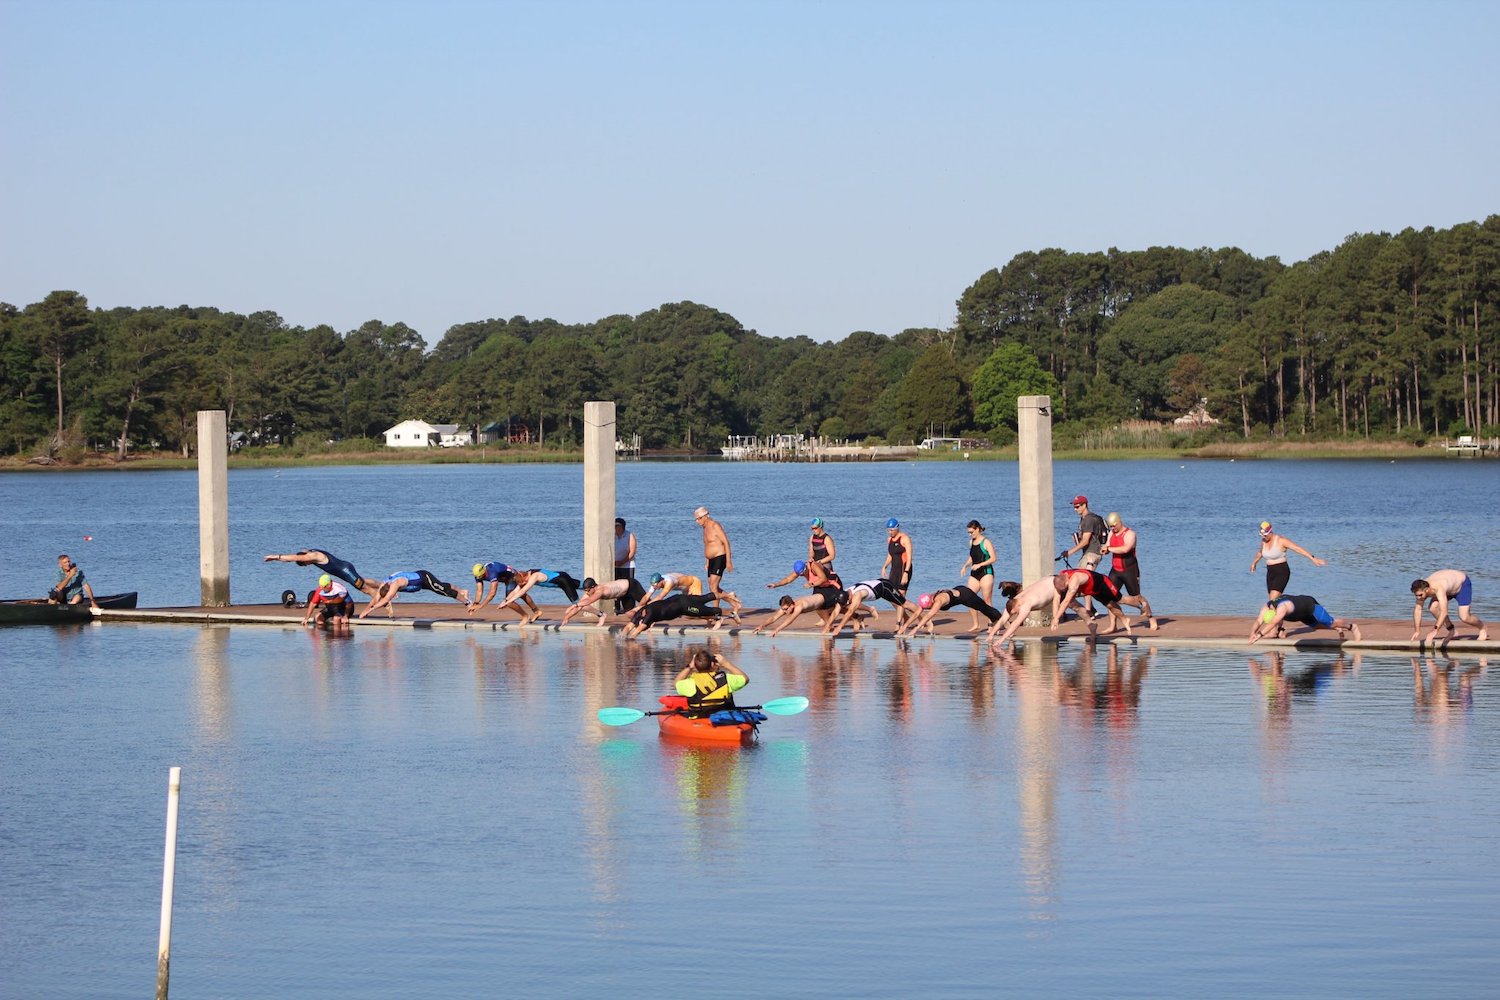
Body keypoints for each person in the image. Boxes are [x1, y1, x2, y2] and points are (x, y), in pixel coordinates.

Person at [1100, 511, 1159, 631]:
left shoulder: (1130, 534)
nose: (1112, 528)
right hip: (1115, 570)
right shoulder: (1112, 533)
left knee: (1137, 597)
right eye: (1110, 526)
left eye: (1114, 525)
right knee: (1109, 597)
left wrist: (1109, 548)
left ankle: (1151, 618)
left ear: (1119, 522)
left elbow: (1125, 549)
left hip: (1129, 570)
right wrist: (1105, 550)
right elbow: (1108, 545)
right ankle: (1113, 625)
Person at [1249, 521, 1325, 599]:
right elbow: (1260, 552)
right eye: (1262, 535)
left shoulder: (1281, 540)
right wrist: (1254, 563)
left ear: (1270, 532)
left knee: (1272, 598)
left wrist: (1313, 558)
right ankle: (1285, 607)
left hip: (1282, 571)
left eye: (1265, 535)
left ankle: (1292, 603)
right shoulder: (1263, 541)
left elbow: (1297, 548)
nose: (1263, 537)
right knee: (1273, 599)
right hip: (1270, 572)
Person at [263, 548, 378, 596]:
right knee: (362, 581)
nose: (307, 565)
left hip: (345, 571)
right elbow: (301, 554)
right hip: (345, 569)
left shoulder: (313, 556)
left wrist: (276, 557)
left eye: (305, 564)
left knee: (365, 589)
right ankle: (384, 586)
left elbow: (296, 558)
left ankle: (385, 603)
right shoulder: (310, 552)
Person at [1249, 594, 1360, 644]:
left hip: (1309, 606)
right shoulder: (1266, 607)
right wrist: (1252, 634)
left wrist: (1259, 635)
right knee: (1315, 626)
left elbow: (1273, 623)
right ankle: (1337, 629)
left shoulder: (1282, 608)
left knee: (1331, 622)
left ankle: (1352, 627)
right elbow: (1258, 621)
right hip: (1301, 615)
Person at [1411, 570, 1488, 642]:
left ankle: (1482, 628)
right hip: (1448, 589)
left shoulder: (1438, 588)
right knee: (1433, 608)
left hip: (1462, 585)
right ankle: (1452, 631)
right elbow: (1418, 610)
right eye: (1416, 595)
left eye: (1420, 595)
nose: (1418, 598)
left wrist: (1435, 630)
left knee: (1464, 617)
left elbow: (1444, 612)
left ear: (1427, 590)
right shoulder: (1420, 589)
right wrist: (1417, 630)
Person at [896, 586, 1002, 637]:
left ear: (931, 603)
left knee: (984, 608)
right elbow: (916, 613)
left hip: (965, 595)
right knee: (985, 610)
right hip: (956, 592)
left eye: (927, 607)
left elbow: (929, 615)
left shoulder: (938, 601)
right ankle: (996, 620)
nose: (926, 609)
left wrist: (916, 629)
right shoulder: (927, 600)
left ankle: (1003, 619)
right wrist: (904, 627)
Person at [1051, 568, 1130, 637]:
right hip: (1091, 590)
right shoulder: (1059, 579)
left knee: (1121, 601)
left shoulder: (1075, 578)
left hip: (1101, 582)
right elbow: (1056, 599)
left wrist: (1057, 618)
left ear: (1066, 582)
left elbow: (1066, 601)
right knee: (1073, 604)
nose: (1064, 591)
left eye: (1065, 589)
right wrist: (1055, 619)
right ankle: (1091, 625)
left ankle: (1140, 602)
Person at [359, 570, 469, 618]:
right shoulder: (384, 584)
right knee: (442, 586)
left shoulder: (396, 583)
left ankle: (467, 602)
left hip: (424, 578)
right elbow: (376, 598)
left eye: (394, 594)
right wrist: (365, 610)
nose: (395, 596)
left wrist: (370, 610)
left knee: (444, 591)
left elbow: (386, 598)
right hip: (419, 582)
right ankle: (462, 591)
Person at [823, 578, 914, 635]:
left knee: (904, 604)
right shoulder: (843, 594)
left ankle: (926, 621)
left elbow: (850, 612)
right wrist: (827, 626)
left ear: (849, 597)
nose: (847, 604)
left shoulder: (857, 595)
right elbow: (835, 611)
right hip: (878, 588)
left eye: (847, 602)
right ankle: (907, 619)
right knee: (898, 604)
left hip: (885, 587)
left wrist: (839, 627)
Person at [673, 649, 748, 713]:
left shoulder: (690, 683)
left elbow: (676, 684)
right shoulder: (726, 679)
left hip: (698, 718)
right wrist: (726, 664)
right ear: (712, 664)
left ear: (695, 665)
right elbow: (745, 679)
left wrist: (689, 667)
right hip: (722, 717)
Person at [988, 578, 1053, 649]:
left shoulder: (1026, 604)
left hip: (1053, 584)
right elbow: (1003, 619)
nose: (1016, 614)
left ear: (1017, 606)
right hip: (1047, 581)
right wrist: (991, 635)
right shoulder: (1015, 600)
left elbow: (1016, 623)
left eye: (1015, 612)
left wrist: (1001, 640)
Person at [623, 591, 722, 637]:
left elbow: (636, 632)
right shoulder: (640, 612)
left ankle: (720, 614)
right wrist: (622, 636)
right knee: (703, 599)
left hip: (682, 606)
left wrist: (627, 643)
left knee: (704, 612)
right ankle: (728, 595)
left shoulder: (649, 614)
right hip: (677, 599)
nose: (635, 621)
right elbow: (628, 627)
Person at [560, 576, 646, 627]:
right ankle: (645, 621)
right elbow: (580, 606)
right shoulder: (590, 592)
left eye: (588, 590)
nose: (586, 593)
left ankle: (652, 616)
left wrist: (572, 606)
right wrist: (567, 617)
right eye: (585, 591)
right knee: (629, 614)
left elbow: (588, 601)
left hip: (631, 586)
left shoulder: (600, 591)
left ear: (593, 587)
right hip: (623, 594)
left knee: (647, 602)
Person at [467, 561, 540, 621]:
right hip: (505, 578)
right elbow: (479, 590)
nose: (480, 578)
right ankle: (537, 611)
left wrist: (481, 606)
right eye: (478, 577)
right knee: (522, 595)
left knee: (509, 602)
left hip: (513, 577)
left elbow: (492, 593)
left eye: (481, 576)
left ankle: (525, 616)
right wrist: (476, 604)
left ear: (484, 571)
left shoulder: (492, 573)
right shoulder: (478, 574)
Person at [695, 506, 736, 611]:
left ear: (705, 516)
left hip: (720, 557)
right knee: (712, 587)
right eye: (696, 519)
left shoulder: (715, 525)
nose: (697, 521)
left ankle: (716, 612)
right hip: (711, 560)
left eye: (698, 518)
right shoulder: (704, 528)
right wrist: (707, 561)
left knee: (713, 587)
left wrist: (728, 561)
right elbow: (708, 545)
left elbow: (726, 542)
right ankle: (733, 601)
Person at [494, 569, 584, 616]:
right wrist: (505, 600)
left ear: (524, 578)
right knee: (585, 586)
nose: (525, 584)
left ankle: (598, 614)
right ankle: (597, 589)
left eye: (524, 583)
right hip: (561, 576)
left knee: (578, 603)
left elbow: (523, 591)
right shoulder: (525, 575)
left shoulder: (534, 576)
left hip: (563, 581)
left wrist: (508, 602)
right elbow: (515, 591)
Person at [959, 520, 998, 629]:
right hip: (974, 573)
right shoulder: (971, 542)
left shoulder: (986, 542)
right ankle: (976, 624)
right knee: (968, 598)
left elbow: (993, 558)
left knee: (986, 600)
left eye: (971, 532)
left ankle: (992, 623)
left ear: (978, 529)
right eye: (968, 533)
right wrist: (965, 566)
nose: (970, 535)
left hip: (986, 572)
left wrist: (980, 565)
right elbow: (972, 556)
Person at [755, 593, 837, 637]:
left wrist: (776, 630)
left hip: (827, 599)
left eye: (786, 609)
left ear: (792, 605)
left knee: (845, 613)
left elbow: (790, 620)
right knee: (828, 626)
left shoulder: (799, 606)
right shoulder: (787, 606)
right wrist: (762, 626)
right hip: (819, 606)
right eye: (783, 609)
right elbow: (773, 618)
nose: (785, 612)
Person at [1061, 496, 1107, 571]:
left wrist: (1069, 552)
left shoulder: (1089, 519)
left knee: (1079, 577)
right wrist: (1078, 539)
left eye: (1077, 507)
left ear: (1084, 505)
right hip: (1090, 553)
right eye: (1074, 507)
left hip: (1092, 554)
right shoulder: (1085, 518)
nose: (1075, 509)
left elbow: (1085, 541)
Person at [880, 518, 914, 595]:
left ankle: (914, 607)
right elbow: (890, 555)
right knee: (891, 593)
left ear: (897, 528)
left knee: (901, 595)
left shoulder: (905, 538)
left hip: (904, 568)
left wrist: (906, 573)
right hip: (894, 569)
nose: (890, 532)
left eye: (892, 530)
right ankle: (905, 607)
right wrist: (884, 566)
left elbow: (909, 558)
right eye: (888, 530)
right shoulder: (889, 539)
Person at [613, 518, 637, 611]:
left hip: (627, 565)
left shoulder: (629, 535)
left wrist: (622, 562)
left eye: (618, 526)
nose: (616, 528)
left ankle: (629, 607)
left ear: (623, 527)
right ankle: (616, 606)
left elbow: (632, 551)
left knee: (628, 586)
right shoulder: (612, 535)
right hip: (614, 566)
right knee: (615, 586)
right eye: (615, 526)